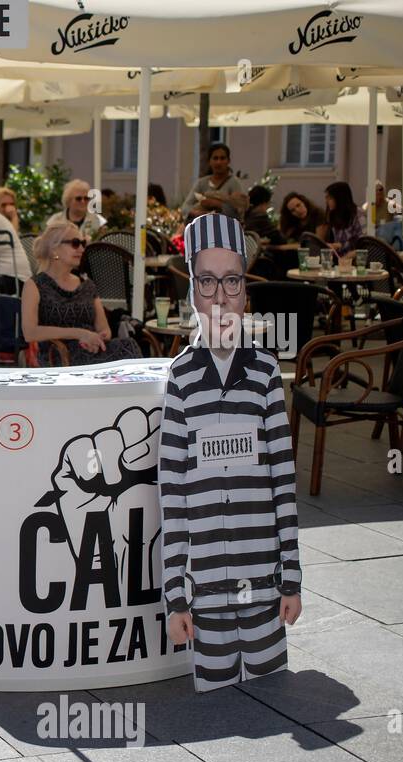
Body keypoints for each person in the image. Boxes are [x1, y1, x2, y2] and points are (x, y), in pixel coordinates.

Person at [158, 212, 302, 692]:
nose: (220, 297)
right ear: (192, 293)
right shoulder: (180, 377)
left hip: (263, 582)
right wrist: (176, 598)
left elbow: (283, 478)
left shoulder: (264, 372)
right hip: (206, 592)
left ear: (246, 290)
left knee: (270, 688)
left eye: (232, 281)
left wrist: (292, 580)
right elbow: (172, 492)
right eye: (207, 281)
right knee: (219, 696)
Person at [22, 221, 141, 366]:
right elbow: (30, 332)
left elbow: (104, 329)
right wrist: (79, 333)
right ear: (54, 250)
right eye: (75, 243)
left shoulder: (87, 285)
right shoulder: (35, 285)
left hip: (92, 350)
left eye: (83, 243)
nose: (81, 249)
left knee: (128, 345)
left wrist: (98, 338)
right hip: (59, 356)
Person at [180, 143, 248, 221]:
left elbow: (240, 210)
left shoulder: (235, 183)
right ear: (209, 161)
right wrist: (197, 213)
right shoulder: (201, 183)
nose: (218, 162)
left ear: (228, 161)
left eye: (222, 158)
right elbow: (185, 206)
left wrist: (218, 204)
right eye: (215, 158)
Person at [321, 181, 364, 256]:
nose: (327, 202)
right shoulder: (333, 214)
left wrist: (340, 246)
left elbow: (363, 243)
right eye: (326, 198)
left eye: (330, 198)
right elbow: (339, 242)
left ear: (340, 198)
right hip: (339, 259)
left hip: (354, 258)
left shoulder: (358, 214)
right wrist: (334, 246)